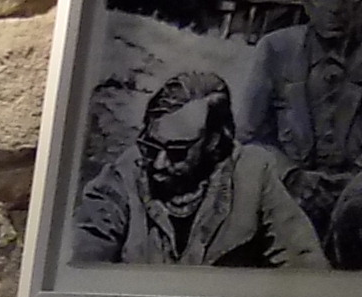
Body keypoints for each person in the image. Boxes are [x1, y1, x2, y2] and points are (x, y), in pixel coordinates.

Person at [70, 71, 325, 268]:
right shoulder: (123, 174)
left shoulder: (254, 173)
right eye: (150, 146)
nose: (159, 163)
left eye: (177, 152)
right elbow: (84, 257)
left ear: (214, 141)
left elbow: (305, 264)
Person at [238, 0, 362, 266]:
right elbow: (249, 135)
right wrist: (291, 175)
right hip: (289, 191)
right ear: (307, 1)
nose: (337, 6)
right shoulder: (276, 49)